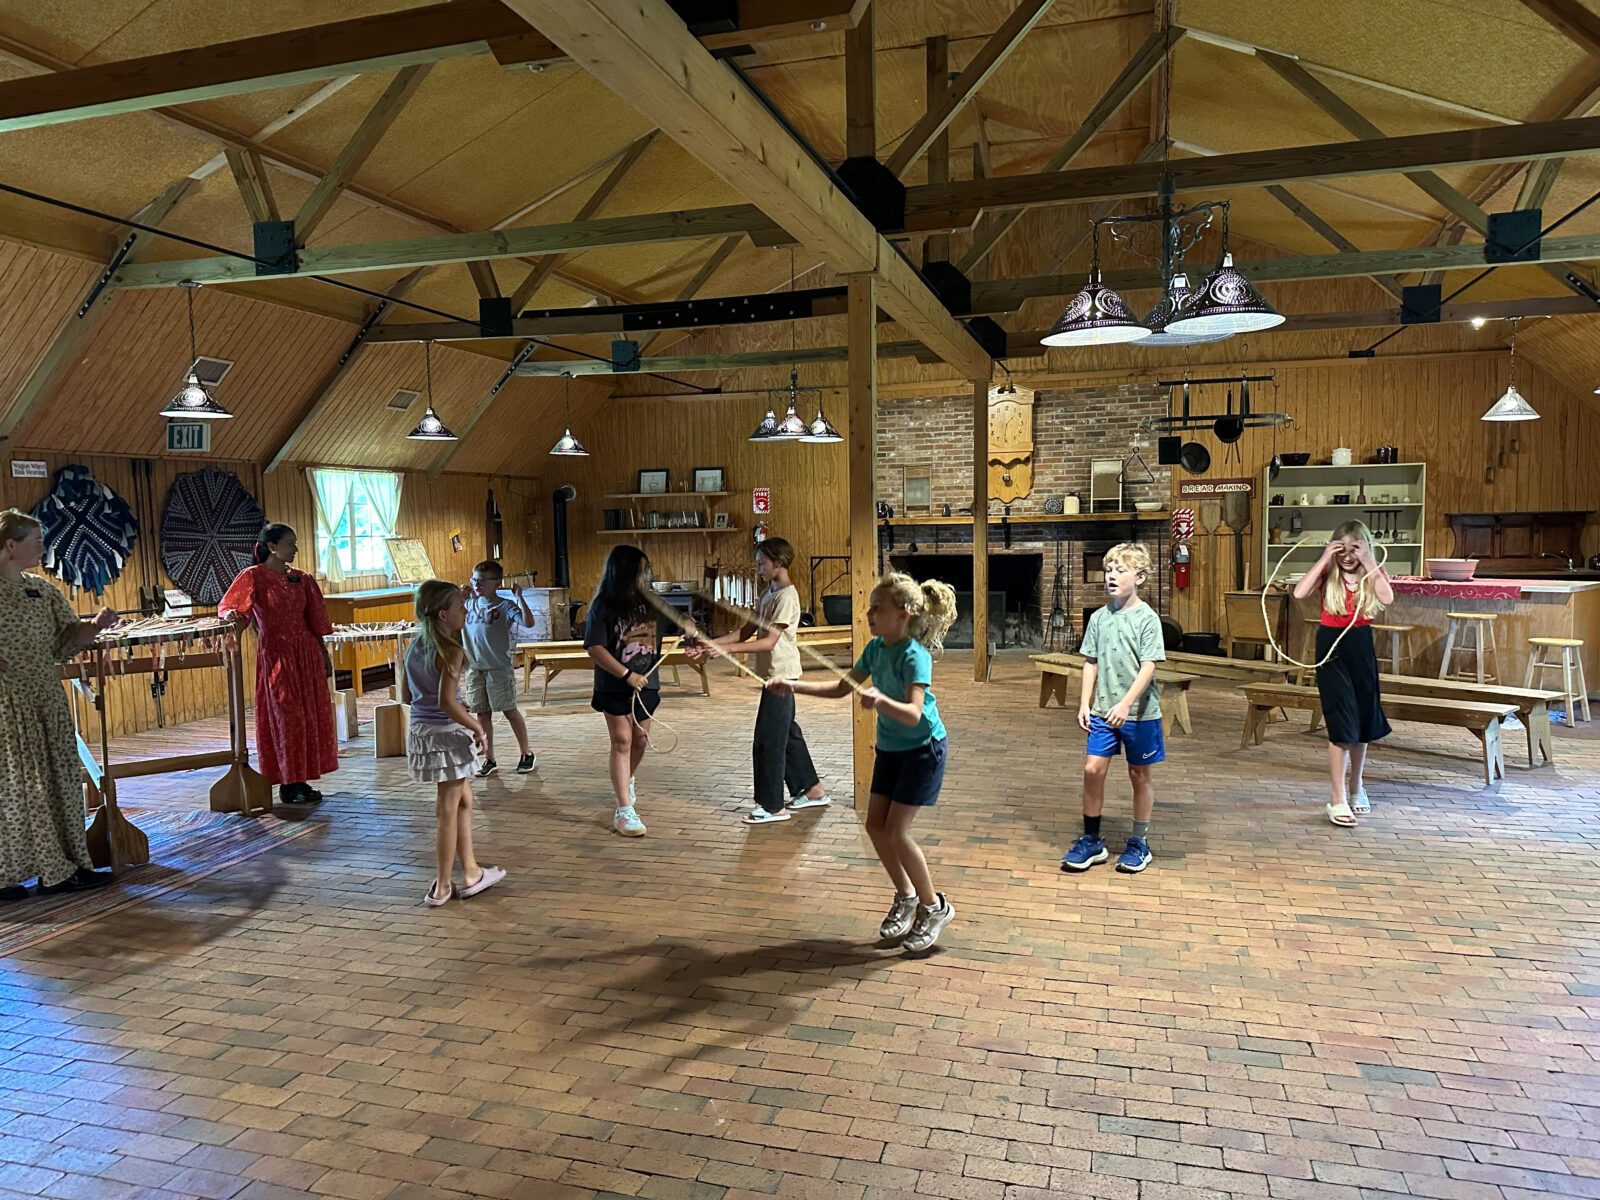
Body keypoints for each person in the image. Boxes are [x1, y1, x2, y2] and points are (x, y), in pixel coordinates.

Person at [770, 572, 957, 954]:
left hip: (923, 750)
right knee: (875, 826)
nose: (869, 613)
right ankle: (906, 896)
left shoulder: (915, 656)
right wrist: (792, 685)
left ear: (904, 614)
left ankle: (933, 907)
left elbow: (914, 714)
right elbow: (842, 687)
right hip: (890, 749)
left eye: (878, 608)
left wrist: (881, 701)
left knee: (897, 832)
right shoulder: (875, 648)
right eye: (870, 606)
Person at [0, 509, 118, 900]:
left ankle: (66, 867)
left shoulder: (42, 589)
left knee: (62, 781)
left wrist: (96, 625)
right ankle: (10, 874)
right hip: (7, 703)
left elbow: (68, 637)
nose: (42, 549)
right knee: (20, 786)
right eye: (36, 542)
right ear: (11, 546)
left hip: (45, 698)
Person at [691, 537, 829, 825]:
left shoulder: (787, 597)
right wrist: (710, 644)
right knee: (786, 734)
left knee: (768, 740)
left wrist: (725, 650)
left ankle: (772, 806)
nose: (758, 569)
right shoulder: (768, 594)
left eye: (762, 564)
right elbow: (744, 633)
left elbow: (768, 642)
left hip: (782, 677)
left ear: (778, 562)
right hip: (772, 675)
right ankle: (812, 790)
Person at [1061, 542, 1165, 875]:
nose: (1112, 576)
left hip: (1140, 714)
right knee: (1092, 770)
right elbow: (1090, 661)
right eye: (1108, 570)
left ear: (1140, 577)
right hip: (1103, 712)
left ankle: (1139, 843)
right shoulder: (1099, 618)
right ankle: (1092, 841)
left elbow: (1149, 666)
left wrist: (1126, 703)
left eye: (1121, 570)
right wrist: (1084, 702)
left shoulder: (1147, 619)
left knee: (1139, 774)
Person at [399, 579, 505, 906]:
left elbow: (407, 695)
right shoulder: (451, 650)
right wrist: (478, 728)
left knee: (464, 801)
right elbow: (447, 702)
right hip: (446, 733)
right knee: (447, 808)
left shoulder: (415, 647)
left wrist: (451, 705)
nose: (465, 611)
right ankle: (443, 885)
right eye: (460, 607)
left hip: (422, 731)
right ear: (443, 614)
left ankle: (471, 871)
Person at [218, 524, 338, 805]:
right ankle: (287, 781)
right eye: (290, 543)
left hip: (306, 652)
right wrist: (231, 616)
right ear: (272, 547)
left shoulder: (303, 578)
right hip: (276, 654)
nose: (295, 548)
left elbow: (316, 620)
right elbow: (231, 607)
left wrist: (324, 656)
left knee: (306, 716)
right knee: (286, 715)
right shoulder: (253, 576)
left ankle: (301, 779)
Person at [1292, 520, 1394, 827]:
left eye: (1354, 550)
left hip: (1360, 645)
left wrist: (1369, 561)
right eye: (1342, 550)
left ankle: (1356, 787)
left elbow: (1387, 598)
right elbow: (1299, 593)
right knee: (1341, 721)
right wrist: (1324, 558)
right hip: (1331, 647)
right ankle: (1337, 798)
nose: (1348, 557)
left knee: (1362, 719)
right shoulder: (1328, 572)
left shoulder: (1371, 571)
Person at [584, 546, 670, 838]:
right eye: (640, 570)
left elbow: (678, 626)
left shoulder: (652, 603)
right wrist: (626, 674)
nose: (645, 575)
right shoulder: (603, 605)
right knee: (622, 740)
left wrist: (690, 629)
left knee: (640, 740)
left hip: (647, 684)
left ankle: (627, 779)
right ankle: (624, 810)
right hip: (614, 684)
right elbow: (595, 648)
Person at [463, 560, 536, 778]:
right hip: (474, 667)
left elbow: (528, 623)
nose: (477, 585)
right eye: (474, 580)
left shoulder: (505, 606)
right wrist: (458, 597)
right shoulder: (468, 604)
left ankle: (526, 753)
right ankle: (490, 758)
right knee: (482, 712)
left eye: (482, 581)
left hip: (498, 668)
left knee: (509, 710)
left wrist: (520, 598)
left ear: (497, 583)